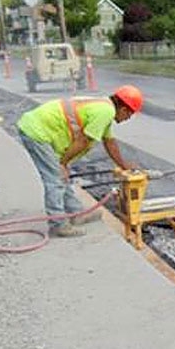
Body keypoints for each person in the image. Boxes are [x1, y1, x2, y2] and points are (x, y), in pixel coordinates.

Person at [17, 85, 144, 237]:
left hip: (40, 128)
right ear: (124, 110)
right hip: (36, 132)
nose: (126, 119)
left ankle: (76, 213)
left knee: (62, 176)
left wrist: (123, 166)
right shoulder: (105, 112)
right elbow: (83, 140)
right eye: (129, 116)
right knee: (55, 178)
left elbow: (109, 142)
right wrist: (63, 163)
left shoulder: (105, 107)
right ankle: (57, 225)